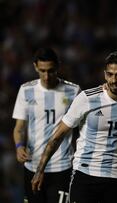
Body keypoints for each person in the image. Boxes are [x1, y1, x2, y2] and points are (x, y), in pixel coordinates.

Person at [31, 51, 117, 203]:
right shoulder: (87, 98)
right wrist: (40, 170)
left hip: (116, 177)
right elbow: (57, 136)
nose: (114, 80)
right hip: (85, 175)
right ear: (105, 75)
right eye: (110, 74)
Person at [12, 47, 80, 203]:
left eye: (51, 71)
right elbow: (19, 128)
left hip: (62, 167)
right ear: (35, 67)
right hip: (32, 164)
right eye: (42, 70)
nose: (46, 76)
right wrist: (19, 146)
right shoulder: (26, 90)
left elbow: (82, 128)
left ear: (58, 67)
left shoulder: (73, 91)